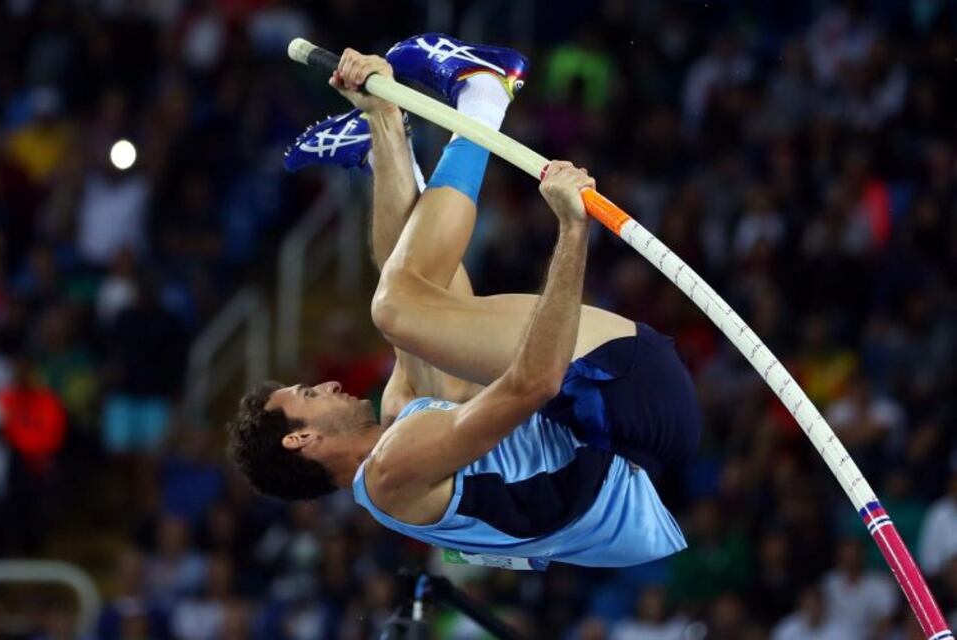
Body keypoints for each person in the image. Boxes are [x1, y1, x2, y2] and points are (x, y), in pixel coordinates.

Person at [227, 35, 701, 568]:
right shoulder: (393, 470)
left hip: (624, 434)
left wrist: (385, 122)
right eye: (310, 394)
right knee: (396, 308)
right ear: (302, 439)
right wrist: (572, 229)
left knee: (410, 311)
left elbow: (410, 271)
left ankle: (383, 140)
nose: (330, 384)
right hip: (631, 407)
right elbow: (534, 382)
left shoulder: (399, 437)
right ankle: (484, 94)